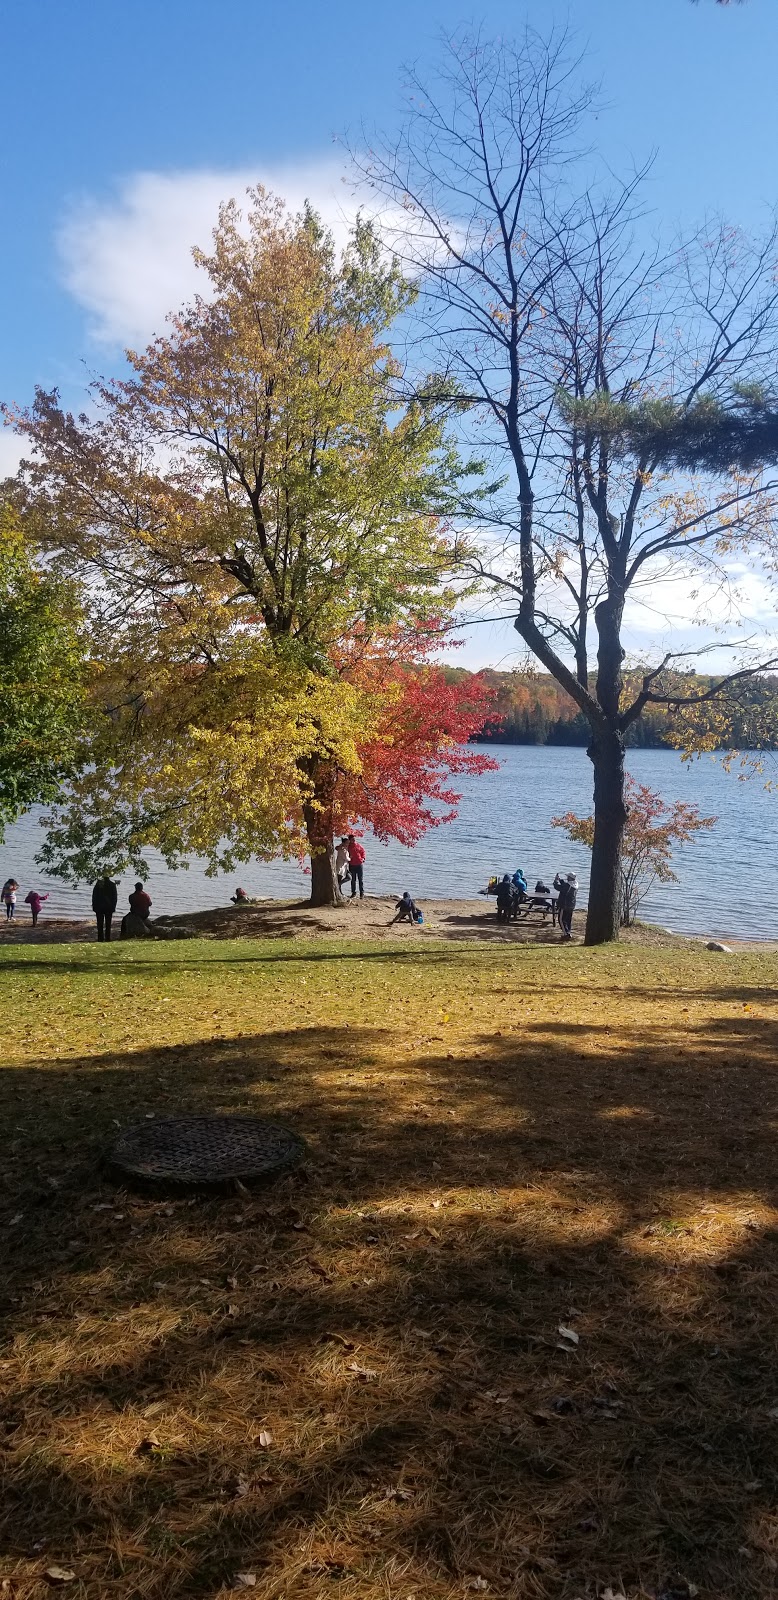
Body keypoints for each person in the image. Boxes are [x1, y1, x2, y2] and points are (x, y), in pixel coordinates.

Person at [92, 872, 118, 942]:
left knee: (100, 924)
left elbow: (94, 896)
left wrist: (94, 906)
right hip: (109, 907)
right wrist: (113, 907)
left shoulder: (98, 884)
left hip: (99, 907)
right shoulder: (112, 885)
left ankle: (100, 938)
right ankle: (107, 938)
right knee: (108, 924)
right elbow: (115, 898)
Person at [556, 872, 578, 940]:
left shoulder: (568, 886)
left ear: (570, 878)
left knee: (561, 920)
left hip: (565, 905)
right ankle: (568, 932)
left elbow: (558, 887)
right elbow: (565, 886)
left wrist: (555, 881)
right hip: (571, 905)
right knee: (568, 920)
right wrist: (560, 880)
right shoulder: (575, 884)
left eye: (568, 877)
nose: (567, 878)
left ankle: (566, 934)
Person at [347, 834, 365, 899]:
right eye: (352, 839)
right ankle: (353, 893)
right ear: (349, 840)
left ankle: (361, 893)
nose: (354, 840)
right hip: (352, 865)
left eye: (354, 839)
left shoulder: (358, 845)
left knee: (360, 879)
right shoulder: (348, 846)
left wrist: (363, 858)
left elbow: (363, 851)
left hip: (359, 864)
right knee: (353, 880)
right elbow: (339, 848)